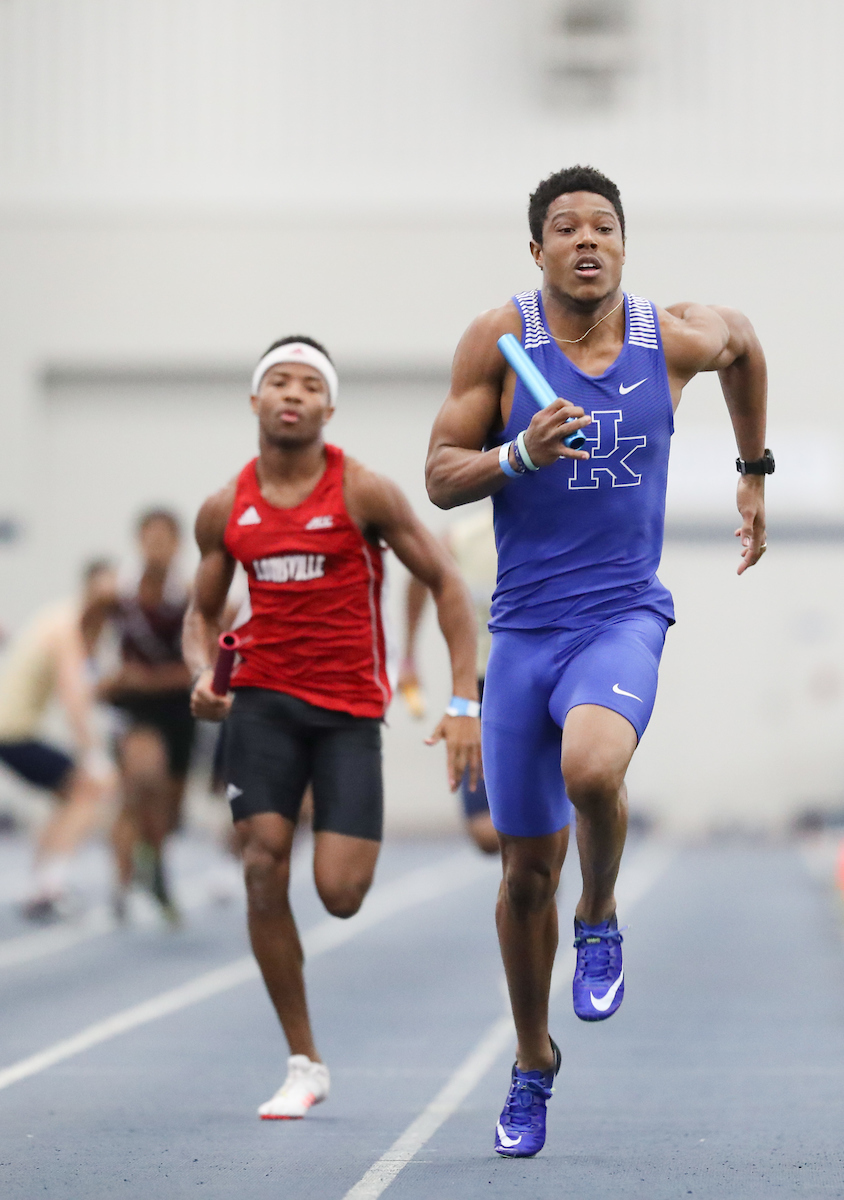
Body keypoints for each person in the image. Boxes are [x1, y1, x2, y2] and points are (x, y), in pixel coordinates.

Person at [425, 164, 770, 1157]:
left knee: (594, 766)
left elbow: (745, 346)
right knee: (520, 874)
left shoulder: (674, 337)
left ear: (623, 244)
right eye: (566, 228)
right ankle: (533, 1061)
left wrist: (751, 472)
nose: (587, 241)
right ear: (535, 250)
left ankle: (604, 909)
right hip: (524, 633)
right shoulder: (498, 342)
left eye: (604, 227)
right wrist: (515, 456)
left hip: (619, 617)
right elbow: (439, 475)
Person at [183, 334, 481, 1121]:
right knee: (260, 865)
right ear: (255, 401)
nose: (293, 394)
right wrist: (198, 674)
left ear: (329, 406)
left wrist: (461, 700)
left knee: (342, 894)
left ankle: (317, 823)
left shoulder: (364, 493)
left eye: (309, 385)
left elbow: (445, 582)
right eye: (278, 382)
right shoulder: (225, 508)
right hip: (262, 706)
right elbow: (201, 614)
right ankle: (303, 1060)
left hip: (347, 711)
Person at [91, 509, 195, 923]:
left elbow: (210, 655)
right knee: (139, 783)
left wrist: (152, 679)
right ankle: (122, 886)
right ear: (138, 542)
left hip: (178, 706)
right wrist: (97, 679)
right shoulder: (114, 593)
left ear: (177, 545)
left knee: (168, 812)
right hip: (133, 709)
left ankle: (157, 870)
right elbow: (84, 634)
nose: (156, 548)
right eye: (149, 539)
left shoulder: (190, 595)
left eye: (165, 540)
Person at [0, 561, 116, 921]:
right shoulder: (69, 626)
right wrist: (94, 754)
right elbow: (74, 700)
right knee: (91, 789)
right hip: (11, 729)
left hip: (14, 727)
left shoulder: (68, 620)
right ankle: (49, 884)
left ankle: (40, 881)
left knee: (69, 795)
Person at [399, 503, 498, 853]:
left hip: (539, 685)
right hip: (479, 685)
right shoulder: (462, 538)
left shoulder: (557, 534)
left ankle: (537, 862)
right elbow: (418, 578)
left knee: (538, 834)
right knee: (486, 834)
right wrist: (409, 657)